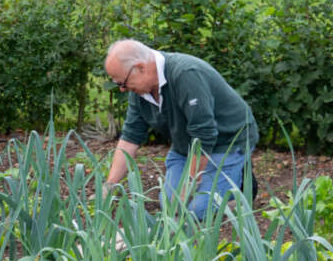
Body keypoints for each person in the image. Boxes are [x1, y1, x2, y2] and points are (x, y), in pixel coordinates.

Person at [104, 39, 258, 217]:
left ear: (141, 67)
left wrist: (189, 187)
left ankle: (241, 186)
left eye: (122, 83)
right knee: (170, 205)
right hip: (186, 147)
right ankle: (219, 181)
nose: (123, 89)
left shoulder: (186, 74)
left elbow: (204, 135)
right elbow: (130, 138)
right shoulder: (139, 91)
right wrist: (109, 187)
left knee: (196, 211)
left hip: (228, 142)